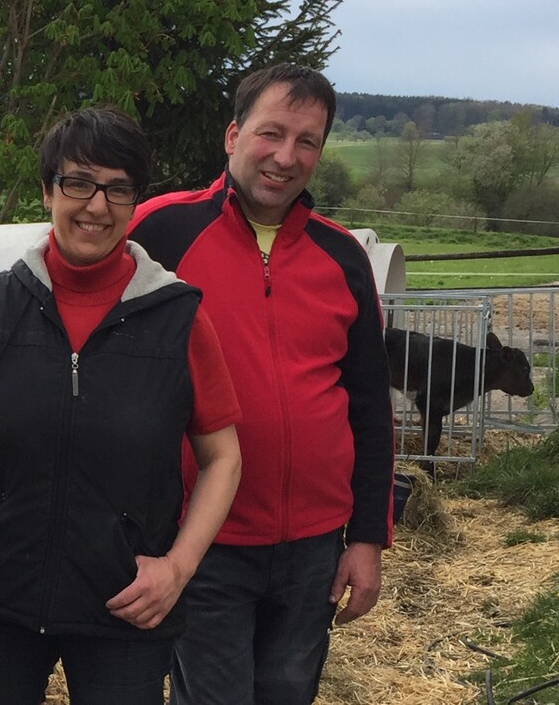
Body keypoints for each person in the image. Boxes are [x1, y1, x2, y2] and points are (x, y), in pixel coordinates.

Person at [0, 106, 242, 705]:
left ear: (135, 201)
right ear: (48, 190)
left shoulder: (178, 317)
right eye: (78, 183)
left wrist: (177, 568)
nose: (96, 206)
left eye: (117, 188)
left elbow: (223, 459)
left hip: (126, 603)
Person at [128, 63, 394, 705]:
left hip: (313, 546)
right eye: (271, 133)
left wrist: (367, 537)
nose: (286, 156)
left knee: (288, 692)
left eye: (307, 141)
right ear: (233, 135)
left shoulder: (344, 256)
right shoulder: (159, 232)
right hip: (201, 541)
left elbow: (368, 407)